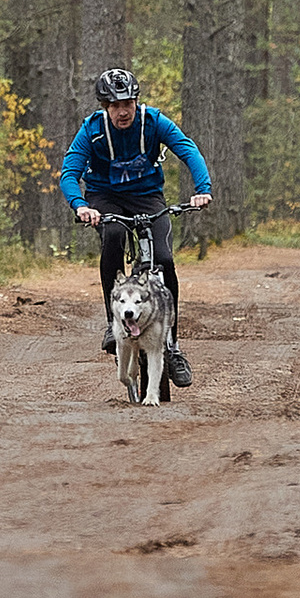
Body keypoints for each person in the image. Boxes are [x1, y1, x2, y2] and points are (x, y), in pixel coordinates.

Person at [60, 68, 213, 387]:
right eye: (114, 105)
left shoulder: (153, 121)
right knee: (114, 236)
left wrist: (202, 188)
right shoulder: (92, 130)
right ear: (105, 106)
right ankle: (110, 321)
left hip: (147, 196)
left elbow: (187, 149)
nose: (122, 111)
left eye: (127, 103)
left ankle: (172, 343)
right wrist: (82, 205)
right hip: (105, 197)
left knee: (165, 260)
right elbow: (69, 171)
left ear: (136, 101)